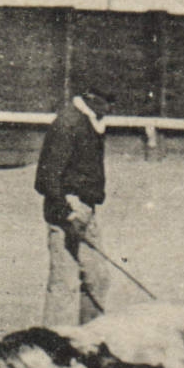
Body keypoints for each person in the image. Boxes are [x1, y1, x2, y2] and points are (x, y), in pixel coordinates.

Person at [34, 89, 115, 327]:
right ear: (91, 97)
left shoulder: (90, 122)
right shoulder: (68, 124)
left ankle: (91, 336)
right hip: (66, 210)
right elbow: (45, 178)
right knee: (64, 282)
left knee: (97, 278)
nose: (111, 107)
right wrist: (66, 211)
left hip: (86, 210)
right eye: (107, 100)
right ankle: (52, 345)